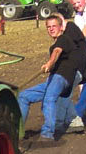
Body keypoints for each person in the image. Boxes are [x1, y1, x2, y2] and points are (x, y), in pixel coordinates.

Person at [17, 13, 80, 146]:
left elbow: (57, 52)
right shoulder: (57, 42)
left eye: (54, 26)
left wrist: (50, 63)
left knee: (49, 99)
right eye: (48, 27)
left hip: (62, 77)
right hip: (53, 78)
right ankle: (18, 131)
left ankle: (47, 134)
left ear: (61, 27)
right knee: (24, 96)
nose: (51, 29)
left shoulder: (64, 39)